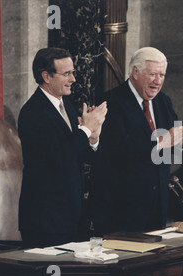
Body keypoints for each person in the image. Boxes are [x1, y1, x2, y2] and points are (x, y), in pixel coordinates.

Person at [88, 47, 183, 234]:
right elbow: (119, 151)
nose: (158, 81)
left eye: (162, 75)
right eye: (153, 74)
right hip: (121, 209)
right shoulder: (110, 103)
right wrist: (165, 140)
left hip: (157, 207)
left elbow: (172, 139)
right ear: (135, 72)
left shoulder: (163, 101)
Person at [18, 47, 107, 248]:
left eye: (73, 72)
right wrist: (84, 129)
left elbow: (81, 156)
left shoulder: (67, 105)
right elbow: (57, 158)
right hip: (45, 220)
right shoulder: (33, 113)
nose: (73, 79)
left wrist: (93, 137)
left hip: (73, 216)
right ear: (46, 76)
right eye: (67, 74)